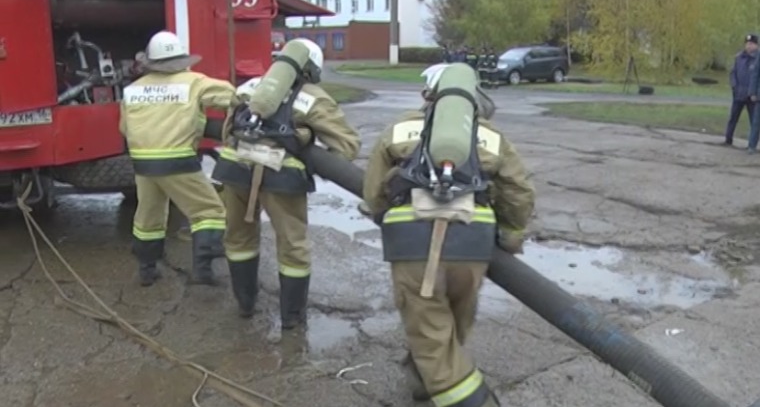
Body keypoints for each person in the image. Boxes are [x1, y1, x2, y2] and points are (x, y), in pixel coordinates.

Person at [362, 63, 535, 407]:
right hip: (472, 246)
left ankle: (469, 397)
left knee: (431, 334)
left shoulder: (399, 129)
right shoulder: (491, 136)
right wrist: (512, 234)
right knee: (450, 326)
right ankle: (421, 382)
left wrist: (384, 215)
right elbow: (518, 192)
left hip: (412, 246)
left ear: (429, 95)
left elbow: (373, 193)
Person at [212, 38, 361, 327]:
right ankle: (292, 319)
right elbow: (347, 145)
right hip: (281, 178)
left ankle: (245, 304)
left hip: (234, 169)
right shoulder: (313, 97)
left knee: (239, 238)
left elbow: (229, 130)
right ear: (312, 69)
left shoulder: (250, 87)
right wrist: (313, 156)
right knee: (293, 246)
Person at [119, 30, 238, 287]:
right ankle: (203, 271)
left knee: (149, 216)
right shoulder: (195, 82)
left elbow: (123, 129)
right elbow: (233, 97)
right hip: (178, 160)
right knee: (209, 211)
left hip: (143, 163)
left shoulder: (132, 90)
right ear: (181, 59)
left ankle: (147, 270)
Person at [726, 34, 758, 147]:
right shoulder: (739, 57)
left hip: (752, 96)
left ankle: (752, 144)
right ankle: (728, 139)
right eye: (747, 44)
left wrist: (754, 91)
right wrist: (734, 86)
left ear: (756, 45)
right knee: (733, 118)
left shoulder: (757, 59)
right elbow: (733, 73)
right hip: (738, 94)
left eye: (751, 44)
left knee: (754, 121)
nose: (749, 46)